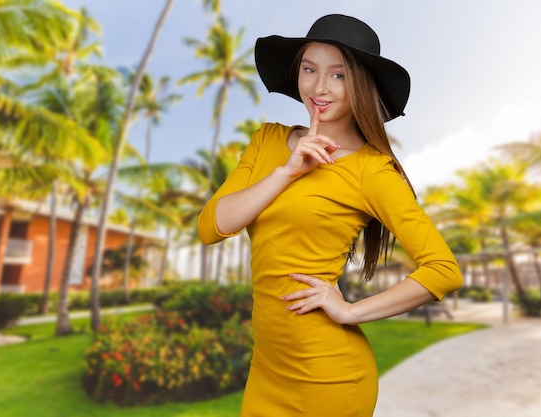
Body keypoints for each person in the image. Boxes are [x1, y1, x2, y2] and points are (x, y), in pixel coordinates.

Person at [197, 14, 462, 417]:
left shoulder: (371, 170)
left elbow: (443, 269)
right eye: (309, 69)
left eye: (338, 75)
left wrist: (351, 311)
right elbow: (211, 226)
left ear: (361, 84)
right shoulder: (268, 140)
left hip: (329, 377)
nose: (319, 88)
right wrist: (286, 172)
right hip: (267, 368)